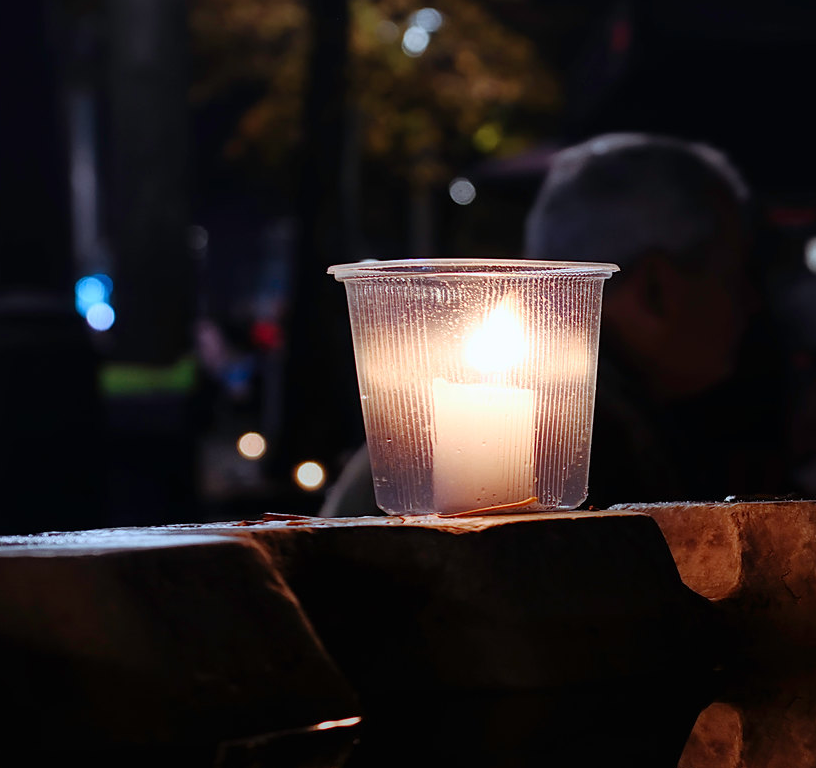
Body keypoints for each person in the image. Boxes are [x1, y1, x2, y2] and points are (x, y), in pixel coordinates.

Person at [321, 133, 759, 514]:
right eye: (735, 274)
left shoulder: (613, 413)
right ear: (655, 289)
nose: (751, 303)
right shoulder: (577, 443)